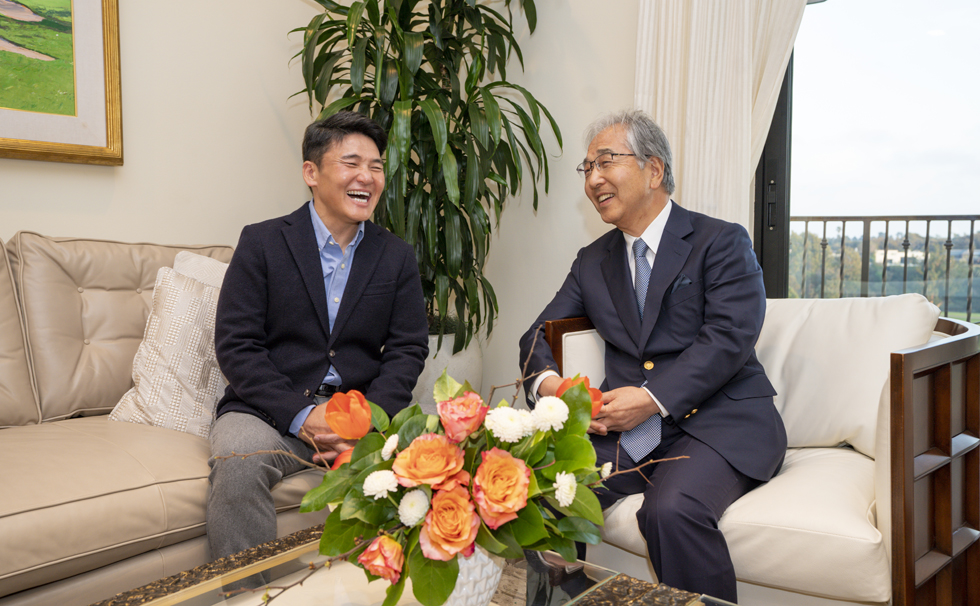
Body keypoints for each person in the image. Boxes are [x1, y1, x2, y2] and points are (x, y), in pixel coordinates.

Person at [519, 109, 786, 602]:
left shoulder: (720, 241)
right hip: (629, 432)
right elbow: (537, 336)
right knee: (544, 493)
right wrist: (560, 393)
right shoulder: (593, 261)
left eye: (605, 162)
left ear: (654, 170)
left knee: (670, 510)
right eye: (587, 168)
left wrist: (650, 398)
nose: (593, 178)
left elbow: (729, 338)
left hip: (720, 422)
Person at [208, 111, 429, 579]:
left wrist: (363, 419)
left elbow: (408, 350)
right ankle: (249, 596)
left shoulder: (395, 256)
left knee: (420, 469)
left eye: (375, 166)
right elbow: (237, 344)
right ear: (312, 172)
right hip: (267, 411)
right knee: (237, 463)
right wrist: (303, 414)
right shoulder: (263, 242)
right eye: (351, 163)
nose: (366, 177)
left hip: (360, 412)